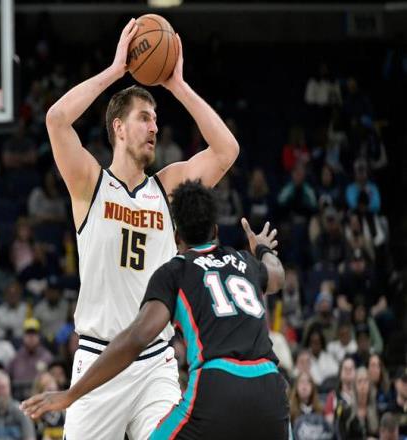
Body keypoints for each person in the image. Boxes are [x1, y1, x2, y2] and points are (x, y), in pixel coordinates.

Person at [32, 17, 239, 440]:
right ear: (118, 128)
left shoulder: (167, 188)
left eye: (156, 119)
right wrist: (116, 71)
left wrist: (177, 85)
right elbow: (56, 119)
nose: (155, 127)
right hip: (98, 358)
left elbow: (226, 150)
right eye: (144, 118)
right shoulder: (89, 182)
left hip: (155, 362)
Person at [21, 181, 288, 439]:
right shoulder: (245, 262)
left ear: (176, 236)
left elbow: (137, 338)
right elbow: (277, 276)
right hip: (270, 386)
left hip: (218, 381)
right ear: (216, 230)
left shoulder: (176, 271)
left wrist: (71, 394)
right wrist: (261, 248)